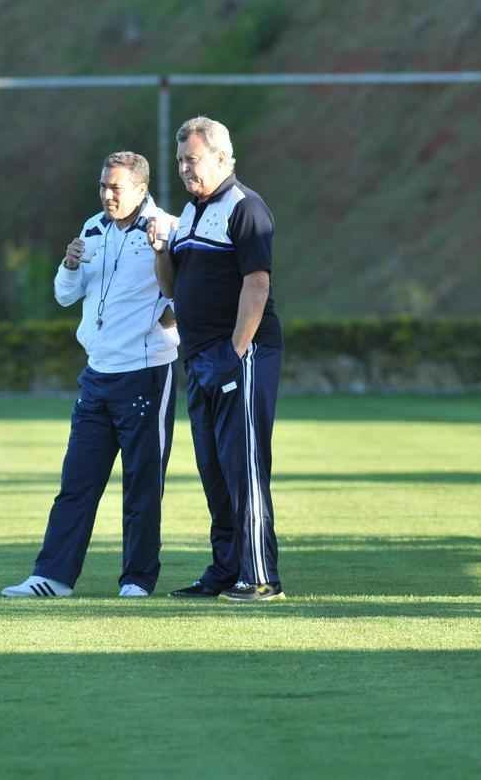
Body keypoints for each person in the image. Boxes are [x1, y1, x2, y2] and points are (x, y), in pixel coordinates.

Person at [2, 151, 179, 598]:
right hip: (96, 374)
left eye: (116, 188)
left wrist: (167, 322)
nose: (107, 195)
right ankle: (53, 576)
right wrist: (70, 264)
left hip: (145, 375)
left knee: (142, 484)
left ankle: (137, 579)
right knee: (76, 482)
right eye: (103, 186)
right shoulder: (92, 228)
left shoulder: (167, 229)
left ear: (141, 189)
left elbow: (191, 293)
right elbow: (64, 297)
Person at [148, 116, 285, 602]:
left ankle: (261, 576)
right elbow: (172, 286)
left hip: (238, 355)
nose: (187, 168)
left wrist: (236, 350)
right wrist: (162, 249)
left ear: (223, 158)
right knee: (213, 469)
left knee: (243, 465)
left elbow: (257, 283)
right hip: (200, 357)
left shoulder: (244, 207)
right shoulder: (189, 214)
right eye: (181, 160)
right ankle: (226, 570)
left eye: (195, 159)